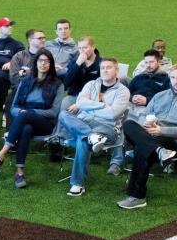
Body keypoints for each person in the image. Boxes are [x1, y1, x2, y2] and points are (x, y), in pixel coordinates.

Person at [117, 63, 177, 209]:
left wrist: (162, 130)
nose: (176, 81)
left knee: (141, 148)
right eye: (173, 77)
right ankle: (159, 151)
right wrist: (147, 123)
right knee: (129, 124)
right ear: (169, 78)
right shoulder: (159, 96)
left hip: (174, 142)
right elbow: (144, 115)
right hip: (152, 135)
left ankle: (137, 196)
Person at [0, 49, 64, 188]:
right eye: (40, 60)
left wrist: (29, 112)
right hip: (25, 121)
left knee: (25, 115)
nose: (43, 64)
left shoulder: (58, 84)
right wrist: (23, 113)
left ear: (51, 64)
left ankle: (2, 153)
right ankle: (19, 173)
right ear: (35, 63)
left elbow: (54, 112)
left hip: (45, 123)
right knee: (26, 128)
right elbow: (14, 107)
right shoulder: (25, 81)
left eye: (47, 61)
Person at [54, 58, 130, 196]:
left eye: (109, 67)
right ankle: (92, 136)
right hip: (85, 124)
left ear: (117, 70)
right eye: (103, 68)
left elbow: (112, 114)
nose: (105, 70)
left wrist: (89, 107)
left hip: (107, 128)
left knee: (83, 140)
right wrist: (101, 105)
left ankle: (77, 184)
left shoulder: (123, 91)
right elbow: (80, 102)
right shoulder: (91, 84)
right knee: (63, 115)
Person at [126, 49, 170, 121]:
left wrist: (147, 101)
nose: (148, 65)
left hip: (149, 109)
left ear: (159, 62)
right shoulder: (139, 77)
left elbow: (166, 101)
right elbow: (125, 93)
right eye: (146, 62)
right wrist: (132, 98)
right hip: (131, 105)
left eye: (151, 62)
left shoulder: (165, 80)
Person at [61, 35, 101, 111]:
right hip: (74, 96)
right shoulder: (75, 62)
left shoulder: (101, 64)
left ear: (93, 47)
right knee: (63, 109)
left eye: (85, 48)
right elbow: (66, 84)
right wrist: (77, 64)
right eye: (80, 48)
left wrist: (82, 103)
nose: (82, 51)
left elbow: (102, 86)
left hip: (93, 99)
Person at [7, 28, 47, 103]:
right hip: (20, 90)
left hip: (41, 91)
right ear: (30, 40)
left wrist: (26, 73)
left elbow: (48, 78)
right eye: (40, 38)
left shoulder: (48, 57)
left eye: (44, 38)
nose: (43, 40)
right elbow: (14, 78)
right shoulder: (19, 57)